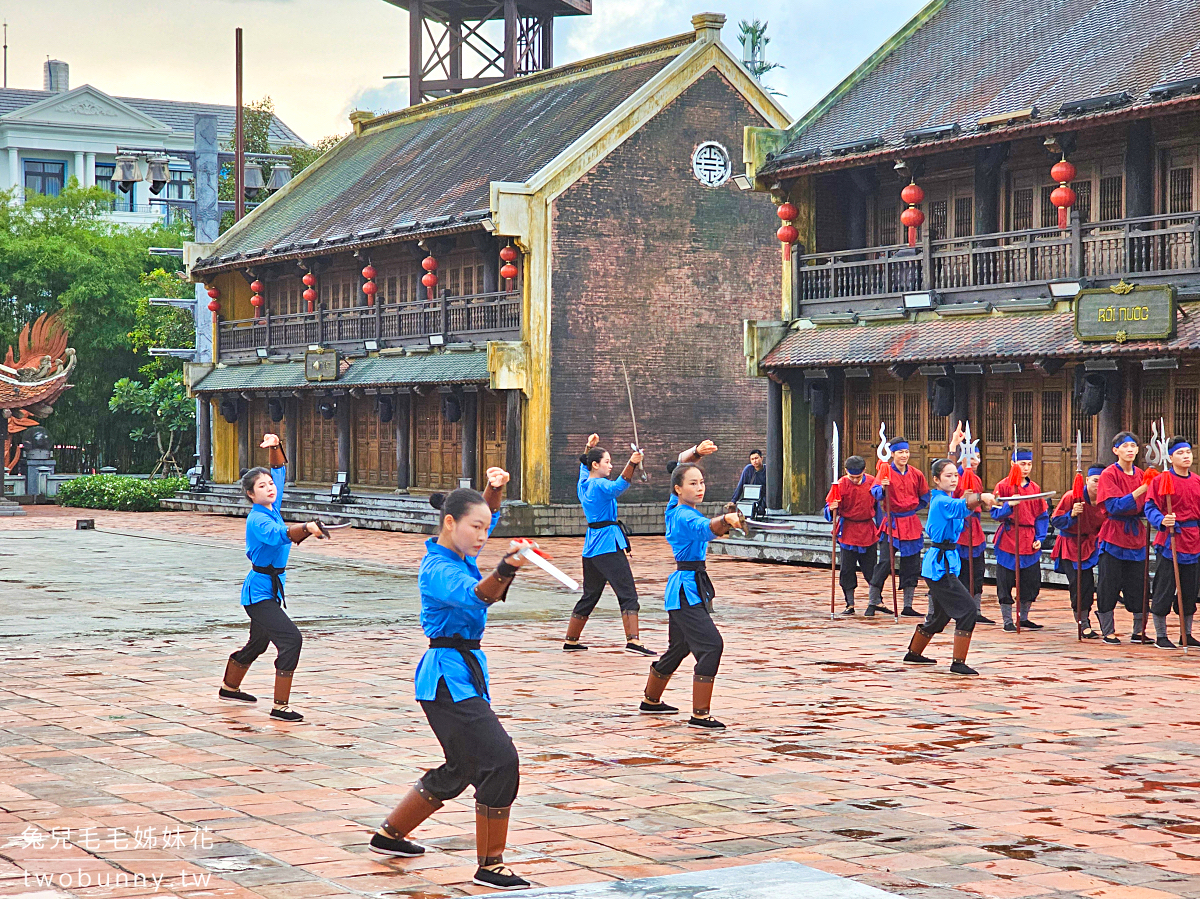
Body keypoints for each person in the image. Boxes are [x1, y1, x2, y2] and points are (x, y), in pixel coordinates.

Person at [369, 469, 539, 890]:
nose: (483, 534)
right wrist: (506, 566)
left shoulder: (460, 552)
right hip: (446, 679)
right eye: (475, 527)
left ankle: (388, 835)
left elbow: (483, 517)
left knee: (461, 765)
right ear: (450, 524)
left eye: (486, 527)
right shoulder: (438, 568)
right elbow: (479, 594)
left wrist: (494, 491)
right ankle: (490, 865)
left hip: (461, 672)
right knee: (501, 760)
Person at [218, 434, 324, 722]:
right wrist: (306, 527)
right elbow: (279, 536)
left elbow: (279, 471)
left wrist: (275, 446)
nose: (270, 488)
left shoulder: (272, 509)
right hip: (259, 594)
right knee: (292, 640)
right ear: (251, 494)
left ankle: (230, 687)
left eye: (270, 485)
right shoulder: (258, 519)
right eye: (262, 486)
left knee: (258, 643)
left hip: (269, 592)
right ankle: (280, 706)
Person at [639, 442, 742, 730]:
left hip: (686, 585)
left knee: (679, 647)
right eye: (692, 483)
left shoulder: (674, 507)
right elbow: (704, 528)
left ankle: (651, 700)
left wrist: (696, 451)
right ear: (677, 489)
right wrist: (725, 521)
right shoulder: (685, 515)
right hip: (686, 590)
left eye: (702, 482)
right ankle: (700, 714)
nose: (700, 487)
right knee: (711, 646)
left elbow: (679, 463)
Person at [564, 434, 654, 655]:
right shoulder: (600, 484)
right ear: (596, 465)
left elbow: (583, 467)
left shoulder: (583, 483)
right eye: (607, 462)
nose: (610, 465)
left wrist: (588, 447)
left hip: (591, 546)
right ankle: (633, 640)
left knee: (590, 594)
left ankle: (571, 640)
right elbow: (618, 487)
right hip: (607, 545)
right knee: (628, 593)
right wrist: (632, 463)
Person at [904, 458, 995, 675]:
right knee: (968, 610)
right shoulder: (940, 502)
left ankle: (914, 654)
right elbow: (959, 507)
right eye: (948, 476)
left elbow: (963, 509)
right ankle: (958, 663)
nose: (954, 479)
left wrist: (985, 501)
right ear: (936, 480)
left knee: (940, 617)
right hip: (939, 567)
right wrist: (981, 497)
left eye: (956, 475)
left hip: (947, 562)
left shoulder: (949, 499)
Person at [1096, 432, 1154, 643]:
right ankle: (1107, 630)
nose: (1130, 449)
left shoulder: (1141, 474)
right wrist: (1142, 490)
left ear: (1138, 450)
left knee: (1139, 585)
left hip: (1136, 536)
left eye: (1133, 446)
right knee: (1108, 584)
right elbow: (1114, 506)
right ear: (1116, 450)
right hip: (1114, 534)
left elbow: (1147, 505)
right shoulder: (1109, 475)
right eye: (1125, 446)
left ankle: (1139, 631)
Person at [1144, 437, 1200, 649]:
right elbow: (1150, 507)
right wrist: (1162, 520)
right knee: (1164, 587)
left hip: (1193, 539)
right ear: (1170, 457)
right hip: (1170, 539)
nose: (1186, 456)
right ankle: (1161, 634)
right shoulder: (1161, 480)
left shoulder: (1197, 481)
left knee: (1190, 589)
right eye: (1180, 453)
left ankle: (1186, 633)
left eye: (1188, 452)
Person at [867, 436, 930, 617]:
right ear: (892, 454)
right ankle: (873, 600)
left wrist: (911, 508)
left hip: (910, 521)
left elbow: (924, 496)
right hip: (892, 522)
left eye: (906, 452)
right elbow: (875, 492)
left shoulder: (916, 473)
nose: (904, 455)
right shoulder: (885, 472)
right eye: (900, 452)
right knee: (885, 561)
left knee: (911, 563)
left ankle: (907, 605)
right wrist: (883, 488)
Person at [992, 449, 1049, 632]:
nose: (1026, 468)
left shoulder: (1035, 488)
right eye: (1022, 464)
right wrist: (1009, 506)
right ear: (1012, 464)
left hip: (1029, 537)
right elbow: (995, 513)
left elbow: (1041, 515)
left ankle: (1023, 617)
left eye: (1029, 464)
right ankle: (1008, 619)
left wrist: (1040, 536)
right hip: (1009, 538)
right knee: (1006, 580)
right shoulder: (1003, 486)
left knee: (1031, 581)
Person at [1050, 464, 1106, 640]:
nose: (1098, 485)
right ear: (1087, 480)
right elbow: (1056, 521)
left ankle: (1092, 616)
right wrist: (1072, 515)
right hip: (1070, 545)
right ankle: (1083, 622)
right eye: (1095, 481)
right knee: (1078, 583)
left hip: (1091, 544)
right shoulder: (1071, 496)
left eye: (1102, 481)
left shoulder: (1106, 499)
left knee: (1089, 582)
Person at [948, 424, 993, 625]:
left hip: (975, 531)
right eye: (971, 458)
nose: (975, 462)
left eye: (977, 458)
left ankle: (976, 609)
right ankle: (959, 608)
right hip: (959, 530)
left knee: (978, 571)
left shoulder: (976, 479)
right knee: (961, 572)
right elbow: (948, 502)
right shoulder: (953, 477)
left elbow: (981, 505)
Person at [823, 455, 879, 615]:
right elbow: (828, 510)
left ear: (864, 472)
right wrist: (831, 508)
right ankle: (850, 604)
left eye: (858, 477)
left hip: (867, 529)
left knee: (871, 569)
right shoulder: (839, 484)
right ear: (846, 472)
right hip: (848, 530)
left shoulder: (871, 482)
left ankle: (874, 601)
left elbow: (878, 507)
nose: (855, 480)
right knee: (847, 569)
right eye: (852, 477)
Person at [731, 448, 767, 518]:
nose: (754, 461)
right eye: (752, 459)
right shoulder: (748, 469)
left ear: (761, 458)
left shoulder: (767, 470)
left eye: (756, 458)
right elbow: (740, 485)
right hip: (750, 497)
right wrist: (733, 501)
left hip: (763, 498)